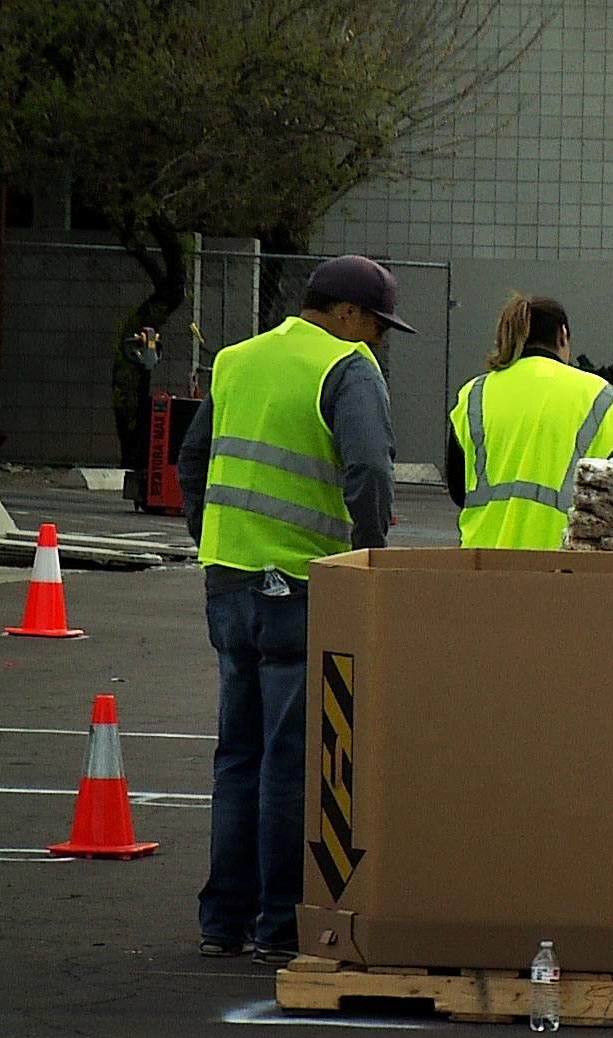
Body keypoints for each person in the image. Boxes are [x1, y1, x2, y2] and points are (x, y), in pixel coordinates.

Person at [175, 254, 409, 964]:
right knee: (289, 762)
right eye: (373, 323)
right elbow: (368, 469)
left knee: (236, 755)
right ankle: (281, 923)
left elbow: (192, 460)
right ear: (345, 313)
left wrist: (212, 536)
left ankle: (224, 920)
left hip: (230, 577)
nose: (375, 339)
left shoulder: (237, 361)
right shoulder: (347, 368)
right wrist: (368, 559)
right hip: (300, 585)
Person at [445, 295, 613, 549]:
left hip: (484, 561)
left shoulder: (475, 394)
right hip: (564, 565)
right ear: (562, 335)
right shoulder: (600, 398)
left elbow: (457, 488)